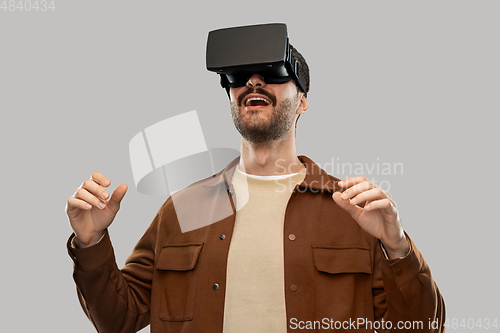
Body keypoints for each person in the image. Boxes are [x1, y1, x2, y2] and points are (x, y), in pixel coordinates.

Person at [66, 36, 445, 332]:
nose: (253, 81)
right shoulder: (185, 208)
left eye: (274, 71)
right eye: (238, 76)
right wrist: (91, 243)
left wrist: (397, 248)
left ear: (303, 102)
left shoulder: (353, 210)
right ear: (231, 97)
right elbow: (119, 320)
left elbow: (420, 328)